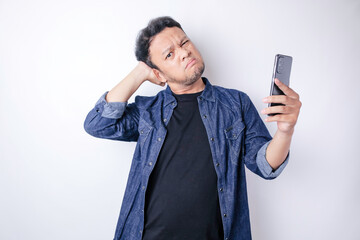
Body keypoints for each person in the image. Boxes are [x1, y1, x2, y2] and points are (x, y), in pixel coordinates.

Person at [84, 16, 301, 240]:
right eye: (169, 54)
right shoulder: (148, 111)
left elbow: (265, 166)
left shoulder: (235, 104)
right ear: (158, 74)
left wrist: (285, 131)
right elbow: (98, 124)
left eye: (184, 43)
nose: (184, 52)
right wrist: (139, 72)